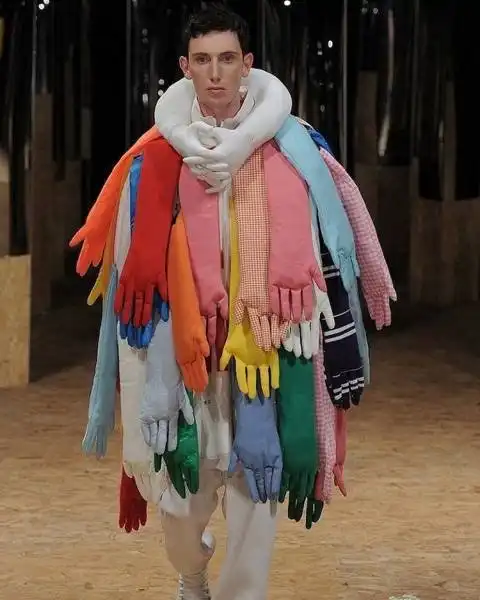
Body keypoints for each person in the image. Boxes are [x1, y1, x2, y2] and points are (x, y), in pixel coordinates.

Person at [71, 4, 396, 600]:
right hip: (183, 354)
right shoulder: (153, 159)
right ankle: (191, 575)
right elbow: (128, 274)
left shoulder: (293, 149)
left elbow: (335, 239)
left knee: (256, 495)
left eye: (226, 59)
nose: (215, 72)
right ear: (184, 68)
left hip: (267, 346)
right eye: (202, 60)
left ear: (248, 65)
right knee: (179, 506)